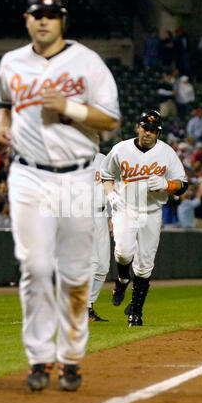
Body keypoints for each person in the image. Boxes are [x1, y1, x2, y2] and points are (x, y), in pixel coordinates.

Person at [0, 0, 120, 391]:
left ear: (63, 20)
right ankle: (40, 357)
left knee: (75, 273)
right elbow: (3, 99)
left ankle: (71, 358)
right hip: (29, 176)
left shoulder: (88, 62)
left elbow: (111, 121)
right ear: (27, 20)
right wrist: (1, 127)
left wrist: (69, 108)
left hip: (79, 177)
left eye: (52, 13)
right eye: (37, 13)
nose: (44, 19)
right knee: (35, 267)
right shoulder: (11, 62)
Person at [101, 110, 188, 326]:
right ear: (138, 127)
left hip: (151, 211)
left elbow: (183, 185)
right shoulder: (121, 149)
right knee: (122, 253)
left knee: (145, 265)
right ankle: (122, 279)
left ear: (158, 132)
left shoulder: (167, 153)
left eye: (153, 129)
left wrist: (167, 185)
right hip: (126, 209)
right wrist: (111, 194)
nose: (148, 133)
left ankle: (136, 312)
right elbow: (106, 175)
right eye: (145, 128)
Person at [88, 134, 112, 322]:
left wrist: (112, 216)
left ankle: (88, 305)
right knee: (93, 262)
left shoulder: (103, 159)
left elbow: (111, 188)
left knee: (103, 266)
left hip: (102, 215)